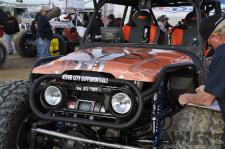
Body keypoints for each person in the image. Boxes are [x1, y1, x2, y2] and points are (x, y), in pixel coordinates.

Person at [179, 15, 225, 144]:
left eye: (210, 43)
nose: (211, 48)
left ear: (215, 36)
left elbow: (206, 100)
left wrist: (186, 97)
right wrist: (210, 86)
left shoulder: (222, 53)